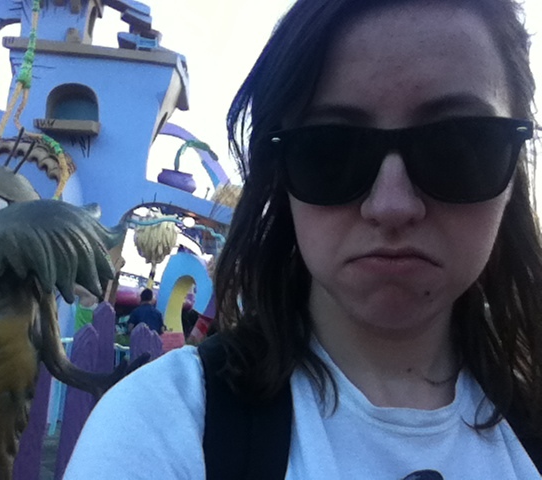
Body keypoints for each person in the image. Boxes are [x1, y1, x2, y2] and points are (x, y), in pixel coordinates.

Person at [64, 0, 542, 478]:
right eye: (329, 151)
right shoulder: (161, 428)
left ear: (514, 171)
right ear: (280, 177)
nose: (391, 205)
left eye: (457, 146)